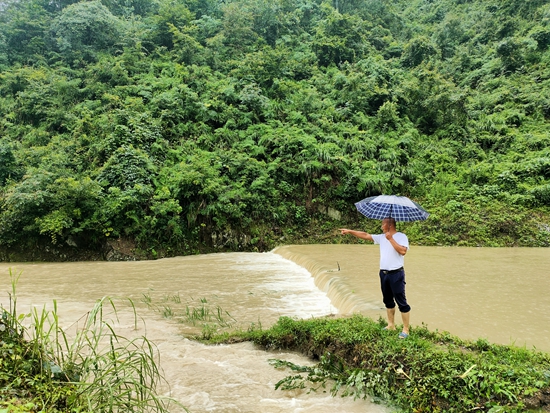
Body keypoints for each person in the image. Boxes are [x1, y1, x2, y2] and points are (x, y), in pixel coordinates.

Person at [339, 217, 411, 339]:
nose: (381, 226)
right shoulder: (381, 237)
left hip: (396, 274)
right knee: (388, 300)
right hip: (383, 274)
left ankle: (406, 329)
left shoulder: (401, 236)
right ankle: (391, 325)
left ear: (389, 225)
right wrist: (350, 231)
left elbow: (403, 251)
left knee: (401, 301)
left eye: (383, 224)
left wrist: (391, 239)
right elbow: (366, 235)